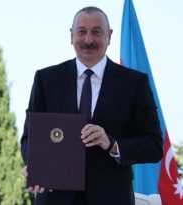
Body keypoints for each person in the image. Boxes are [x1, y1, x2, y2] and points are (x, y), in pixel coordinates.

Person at [20, 6, 163, 205]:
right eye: (81, 32)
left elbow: (154, 146)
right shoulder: (46, 79)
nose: (88, 40)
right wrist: (34, 165)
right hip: (55, 198)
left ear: (109, 35)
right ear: (71, 36)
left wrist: (111, 143)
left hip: (112, 198)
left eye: (96, 32)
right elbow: (30, 138)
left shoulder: (134, 83)